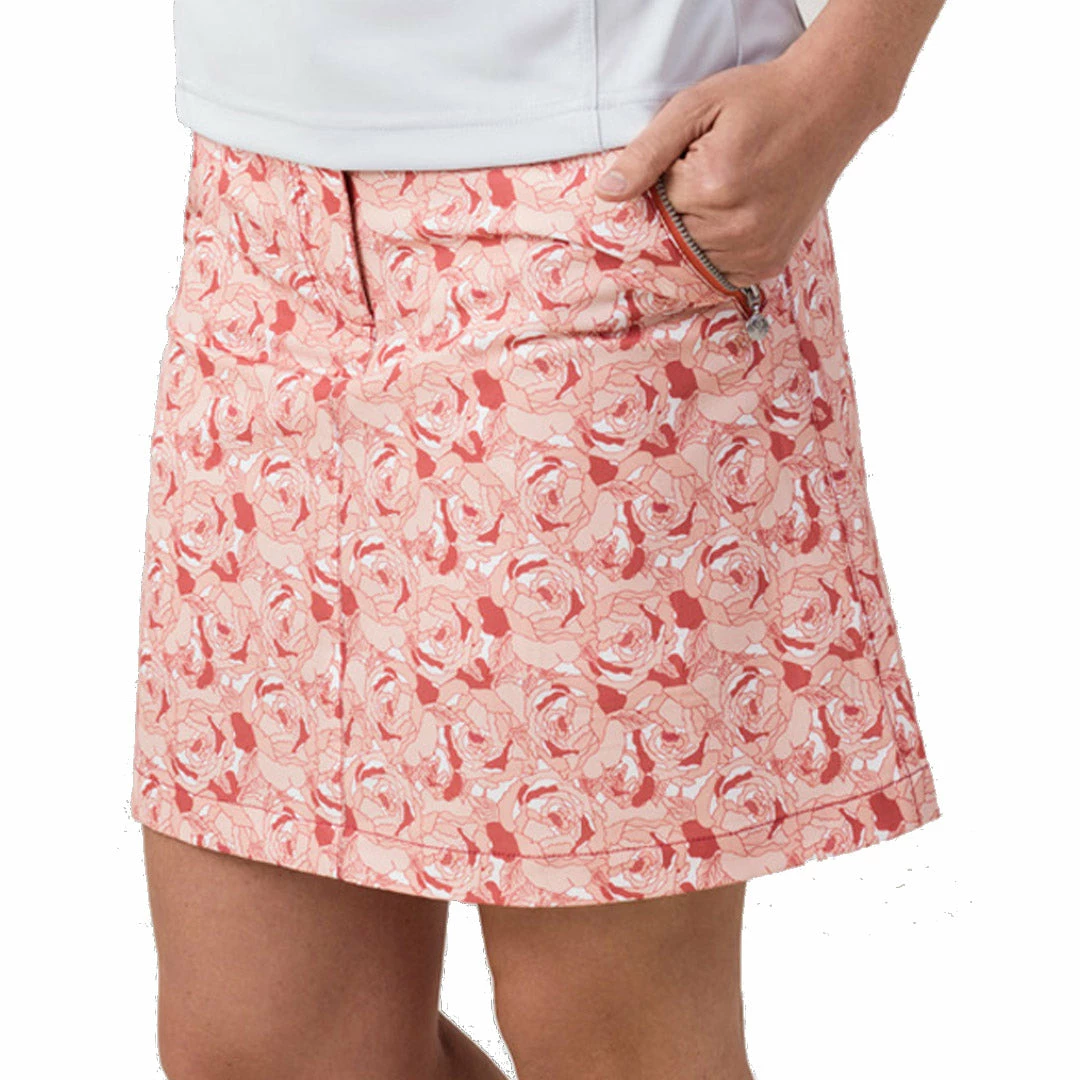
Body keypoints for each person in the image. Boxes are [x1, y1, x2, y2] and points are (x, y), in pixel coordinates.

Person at [131, 2, 945, 1077]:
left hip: (587, 195)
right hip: (258, 222)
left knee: (608, 1040)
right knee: (266, 1047)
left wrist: (847, 82)